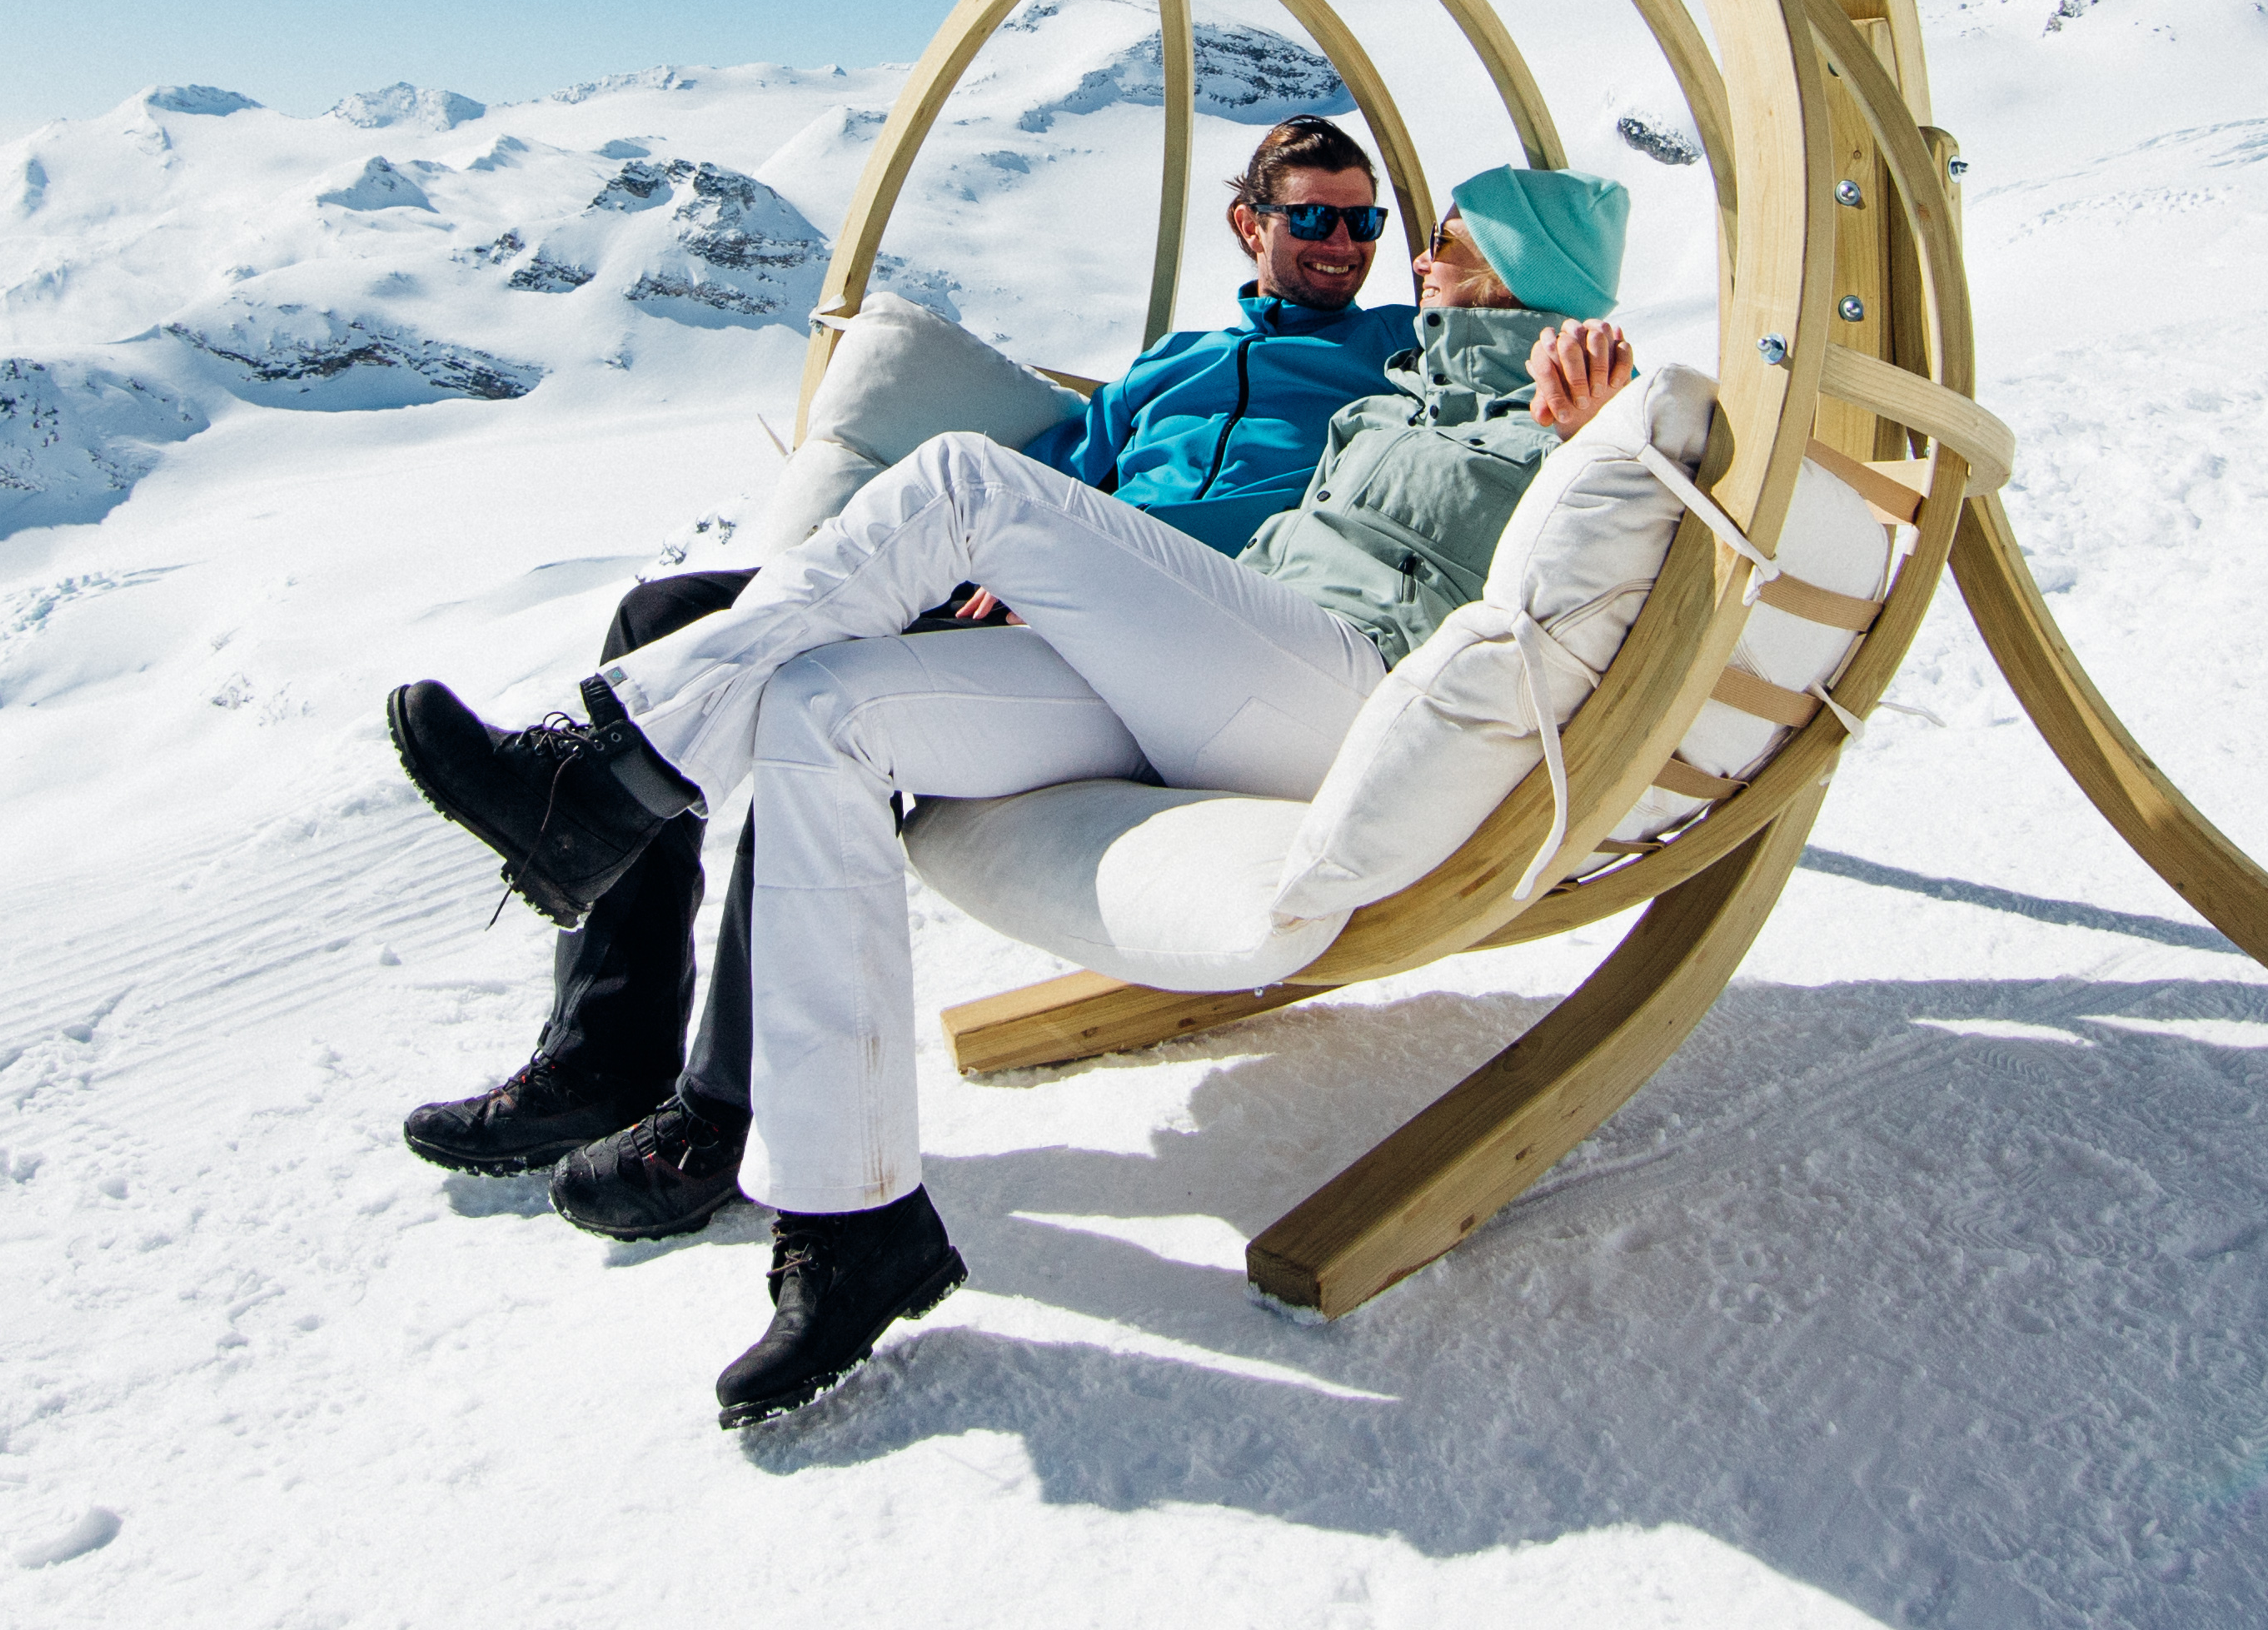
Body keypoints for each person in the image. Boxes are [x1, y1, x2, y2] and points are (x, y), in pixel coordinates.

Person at [390, 155, 1639, 1427]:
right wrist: (1068, 571)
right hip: (1193, 662)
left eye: (1434, 235)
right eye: (1332, 218)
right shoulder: (1385, 380)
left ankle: (605, 779)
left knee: (964, 483)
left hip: (1345, 690)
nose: (1399, 250)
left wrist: (1590, 431)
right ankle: (853, 1220)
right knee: (825, 709)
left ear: (1525, 267)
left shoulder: (1564, 401)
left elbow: (1617, 514)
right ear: (1251, 224)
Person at [397, 114, 1424, 1228]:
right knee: (661, 613)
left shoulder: (1393, 355)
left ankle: (724, 1104)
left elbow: (1382, 475)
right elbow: (1059, 468)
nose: (1343, 245)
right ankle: (603, 1050)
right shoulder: (1172, 365)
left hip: (1178, 635)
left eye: (1363, 222)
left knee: (820, 694)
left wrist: (1076, 565)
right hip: (1020, 595)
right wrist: (1014, 555)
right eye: (1313, 218)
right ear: (1248, 224)